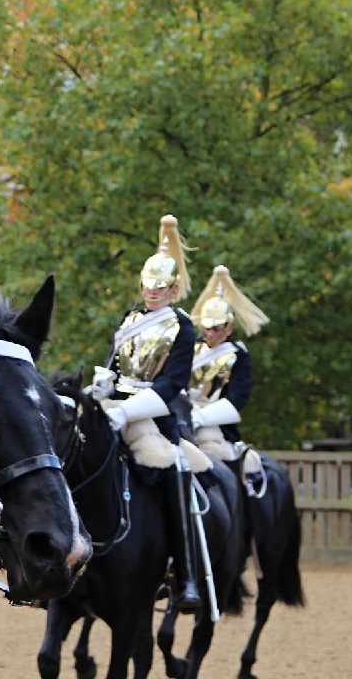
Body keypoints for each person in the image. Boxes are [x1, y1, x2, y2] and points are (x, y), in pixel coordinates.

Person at [88, 214, 201, 613]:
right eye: (148, 285)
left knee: (171, 464)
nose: (152, 292)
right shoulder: (130, 320)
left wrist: (126, 412)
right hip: (115, 404)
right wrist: (101, 385)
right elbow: (114, 364)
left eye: (160, 287)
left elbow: (171, 386)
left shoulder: (183, 328)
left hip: (151, 415)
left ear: (174, 290)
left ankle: (184, 574)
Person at [187, 265, 269, 463]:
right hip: (182, 415)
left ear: (229, 328)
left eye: (216, 329)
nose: (209, 334)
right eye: (206, 328)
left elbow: (237, 398)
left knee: (217, 456)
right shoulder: (190, 348)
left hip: (214, 424)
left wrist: (200, 417)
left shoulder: (238, 355)